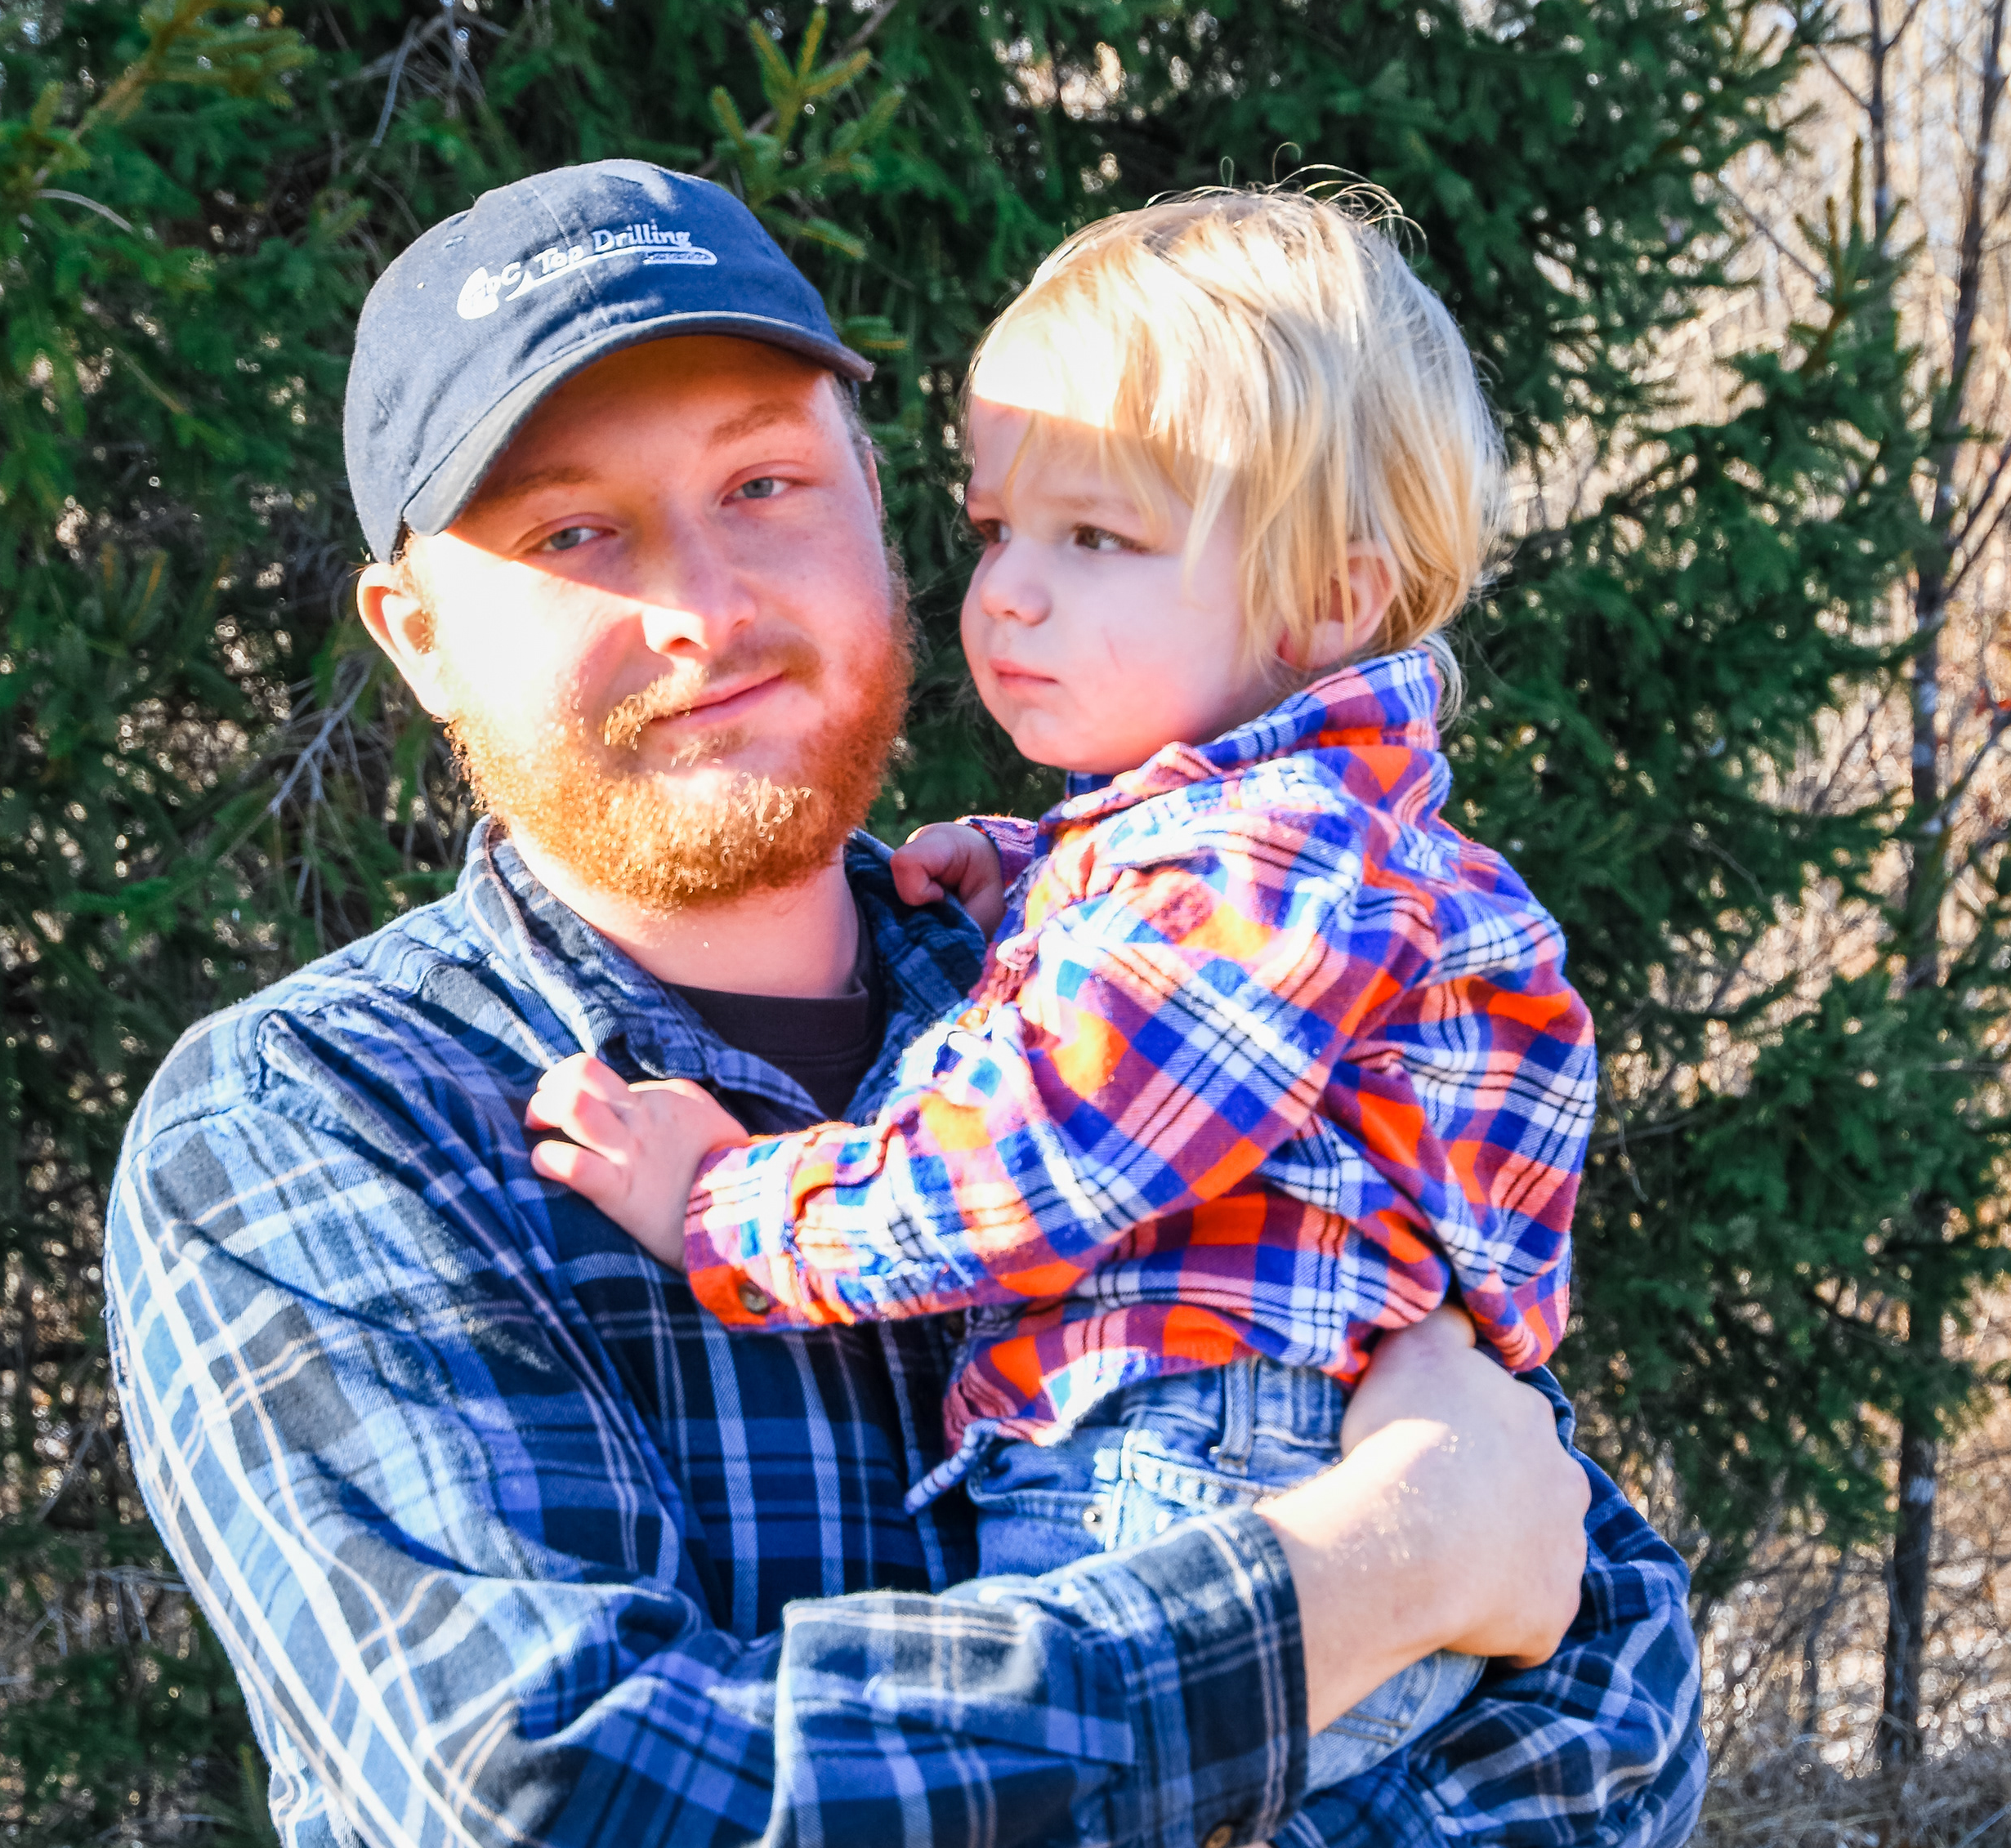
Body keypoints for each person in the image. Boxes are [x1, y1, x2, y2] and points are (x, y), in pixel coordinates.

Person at [105, 158, 1704, 1848]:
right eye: (575, 532)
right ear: (418, 634)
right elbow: (560, 1790)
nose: (705, 609)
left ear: (873, 501)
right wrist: (1371, 1575)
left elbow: (1609, 1697)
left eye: (765, 483)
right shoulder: (322, 1119)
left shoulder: (1101, 967)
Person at [525, 187, 1593, 1793]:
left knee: (1008, 1796)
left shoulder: (1264, 872)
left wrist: (726, 1208)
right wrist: (1037, 872)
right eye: (995, 529)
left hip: (1196, 1467)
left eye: (1095, 538)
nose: (1009, 593)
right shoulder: (1283, 852)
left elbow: (1046, 1161)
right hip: (1259, 1456)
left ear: (1333, 597)